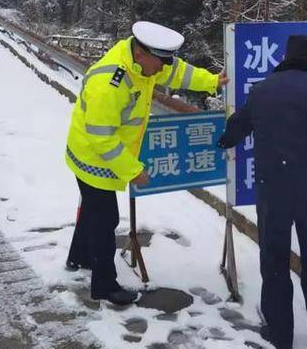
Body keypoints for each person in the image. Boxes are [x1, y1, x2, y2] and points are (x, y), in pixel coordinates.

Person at [65, 21, 228, 305]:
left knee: (93, 211)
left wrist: (212, 81)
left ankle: (78, 257)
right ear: (140, 53)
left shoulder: (145, 62)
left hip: (102, 153)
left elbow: (179, 72)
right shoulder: (110, 82)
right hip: (92, 157)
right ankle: (104, 286)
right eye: (159, 63)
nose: (163, 70)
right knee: (105, 220)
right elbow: (101, 138)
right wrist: (133, 170)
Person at [218, 34, 307, 349]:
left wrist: (225, 140)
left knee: (274, 257)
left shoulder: (263, 90)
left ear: (286, 56)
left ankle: (280, 334)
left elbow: (239, 125)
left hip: (273, 187)